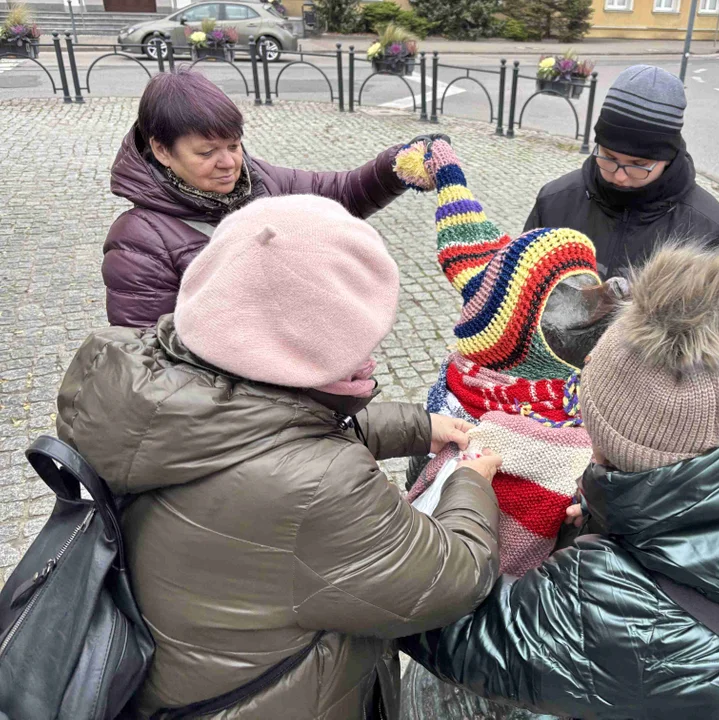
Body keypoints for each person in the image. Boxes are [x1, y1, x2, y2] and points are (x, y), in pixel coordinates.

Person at [401, 243, 719, 719]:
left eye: (593, 426)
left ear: (623, 446)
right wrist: (611, 516)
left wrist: (466, 489)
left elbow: (453, 630)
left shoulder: (618, 605)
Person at [56, 194, 503, 719]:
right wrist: (470, 482)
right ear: (300, 350)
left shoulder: (157, 382)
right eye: (357, 340)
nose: (372, 355)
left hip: (177, 679)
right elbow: (451, 577)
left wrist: (416, 426)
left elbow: (262, 430)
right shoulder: (322, 485)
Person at [392, 138, 621, 720]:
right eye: (572, 305)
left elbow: (468, 239)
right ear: (524, 347)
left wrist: (446, 172)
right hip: (480, 615)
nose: (601, 304)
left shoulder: (480, 389)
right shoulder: (516, 430)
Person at [103, 69, 424, 328]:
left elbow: (341, 194)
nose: (229, 163)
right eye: (207, 152)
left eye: (233, 145)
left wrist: (397, 167)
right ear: (162, 150)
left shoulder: (260, 180)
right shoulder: (138, 243)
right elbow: (150, 360)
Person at [523, 65, 719, 279]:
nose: (620, 176)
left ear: (668, 157)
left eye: (638, 164)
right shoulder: (554, 201)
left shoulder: (709, 231)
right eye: (609, 157)